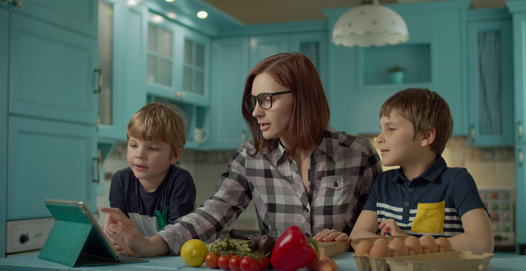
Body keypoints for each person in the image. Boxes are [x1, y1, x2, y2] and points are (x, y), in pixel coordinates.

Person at [101, 52, 382, 257]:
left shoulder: (358, 154)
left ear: (302, 97)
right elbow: (212, 213)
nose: (256, 111)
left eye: (266, 100)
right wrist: (152, 244)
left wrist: (350, 239)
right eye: (253, 101)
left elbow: (380, 230)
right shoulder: (251, 157)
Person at [314, 88, 494, 254]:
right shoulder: (383, 182)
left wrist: (409, 243)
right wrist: (398, 244)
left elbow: (482, 241)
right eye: (381, 129)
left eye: (391, 129)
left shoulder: (457, 181)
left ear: (426, 136)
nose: (379, 138)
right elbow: (358, 235)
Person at [106, 102, 196, 238]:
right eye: (133, 145)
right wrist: (113, 238)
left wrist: (137, 244)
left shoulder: (180, 181)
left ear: (174, 155)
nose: (139, 154)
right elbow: (120, 231)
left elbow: (178, 237)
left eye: (152, 148)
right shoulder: (120, 181)